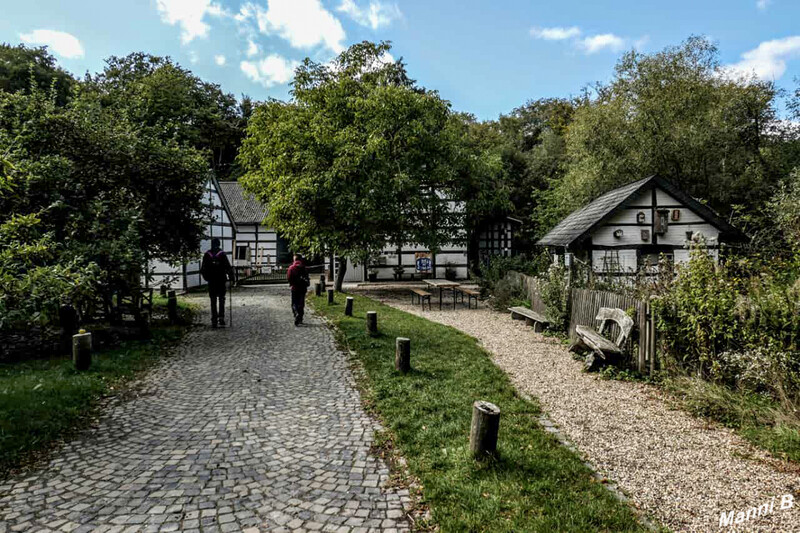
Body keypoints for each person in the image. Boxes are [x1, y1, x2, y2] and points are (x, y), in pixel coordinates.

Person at [200, 238, 235, 328]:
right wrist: (231, 279)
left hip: (212, 281)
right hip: (221, 280)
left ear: (211, 244)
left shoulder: (207, 255)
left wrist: (207, 278)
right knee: (221, 299)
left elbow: (203, 269)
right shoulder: (222, 254)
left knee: (213, 300)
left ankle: (214, 319)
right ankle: (221, 318)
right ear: (219, 244)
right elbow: (228, 267)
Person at [287, 253, 310, 326]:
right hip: (303, 288)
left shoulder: (291, 268)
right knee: (301, 303)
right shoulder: (304, 268)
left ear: (294, 259)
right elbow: (307, 277)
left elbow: (289, 277)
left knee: (294, 302)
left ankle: (296, 313)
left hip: (294, 288)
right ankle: (300, 318)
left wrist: (291, 283)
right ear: (300, 259)